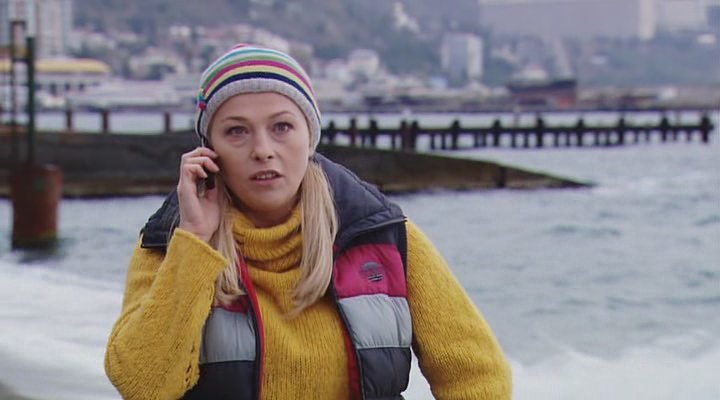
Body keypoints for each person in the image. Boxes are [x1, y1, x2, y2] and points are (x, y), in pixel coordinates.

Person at [105, 44, 512, 400]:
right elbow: (144, 386)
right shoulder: (169, 245)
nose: (263, 150)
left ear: (309, 136)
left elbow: (478, 377)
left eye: (282, 127)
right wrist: (194, 241)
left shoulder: (382, 236)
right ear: (209, 151)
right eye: (237, 131)